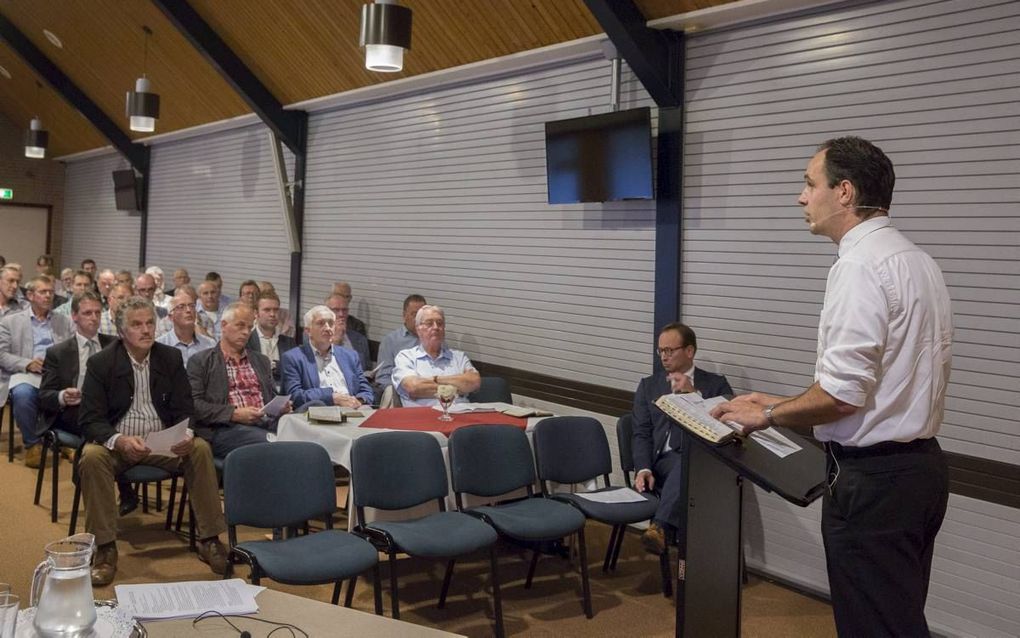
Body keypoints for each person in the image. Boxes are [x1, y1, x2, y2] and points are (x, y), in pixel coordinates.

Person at [711, 137, 952, 638]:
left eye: (808, 183)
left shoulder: (858, 266)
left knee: (873, 626)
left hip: (873, 486)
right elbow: (880, 385)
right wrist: (773, 399)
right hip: (919, 472)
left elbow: (844, 395)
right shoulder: (918, 261)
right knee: (899, 618)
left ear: (844, 192)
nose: (802, 197)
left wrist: (768, 416)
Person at [78, 296, 228, 586]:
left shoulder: (169, 358)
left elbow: (186, 408)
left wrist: (186, 434)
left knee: (199, 448)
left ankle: (209, 539)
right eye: (137, 325)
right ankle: (106, 549)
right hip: (119, 445)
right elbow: (90, 420)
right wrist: (118, 440)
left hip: (162, 443)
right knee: (92, 456)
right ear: (122, 332)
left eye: (150, 323)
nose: (146, 330)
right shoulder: (101, 363)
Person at [631, 322, 733, 555]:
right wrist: (643, 468)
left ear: (689, 351)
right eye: (661, 351)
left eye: (670, 350)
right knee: (682, 463)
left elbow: (726, 424)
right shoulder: (649, 386)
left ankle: (660, 527)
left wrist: (692, 395)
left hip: (706, 461)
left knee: (689, 461)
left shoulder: (716, 384)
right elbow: (641, 432)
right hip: (664, 459)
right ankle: (662, 528)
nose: (664, 357)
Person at [188, 303, 291, 457]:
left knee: (309, 423)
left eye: (249, 328)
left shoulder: (260, 360)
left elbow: (271, 396)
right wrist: (233, 414)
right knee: (275, 444)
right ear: (223, 325)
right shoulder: (201, 361)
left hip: (266, 422)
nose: (245, 332)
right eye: (240, 326)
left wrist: (280, 406)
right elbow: (195, 406)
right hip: (227, 428)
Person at [0, 276, 72, 467]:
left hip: (56, 373)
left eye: (50, 292)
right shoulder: (10, 322)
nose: (48, 296)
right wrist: (28, 363)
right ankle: (33, 444)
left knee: (76, 391)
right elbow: (2, 355)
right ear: (30, 295)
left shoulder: (63, 321)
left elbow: (72, 348)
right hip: (26, 372)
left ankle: (66, 439)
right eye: (43, 292)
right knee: (23, 394)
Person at [281, 306, 373, 408]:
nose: (327, 328)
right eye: (321, 323)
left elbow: (366, 390)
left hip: (352, 411)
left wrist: (358, 401)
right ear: (308, 331)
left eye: (331, 323)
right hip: (316, 413)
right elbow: (295, 396)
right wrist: (331, 397)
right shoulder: (293, 358)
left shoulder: (350, 356)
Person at [392, 305, 479, 407]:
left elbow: (474, 382)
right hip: (423, 418)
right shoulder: (406, 357)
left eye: (440, 323)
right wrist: (459, 387)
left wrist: (435, 379)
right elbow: (413, 388)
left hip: (462, 415)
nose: (436, 327)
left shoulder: (459, 357)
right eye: (429, 323)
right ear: (418, 329)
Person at [245, 290, 296, 391]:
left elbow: (294, 372)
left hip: (286, 395)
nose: (272, 314)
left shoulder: (289, 342)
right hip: (258, 394)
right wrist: (278, 366)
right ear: (256, 313)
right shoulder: (246, 341)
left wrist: (273, 365)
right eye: (267, 310)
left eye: (276, 310)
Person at [375, 294, 426, 390]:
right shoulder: (391, 341)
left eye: (422, 315)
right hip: (404, 394)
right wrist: (405, 391)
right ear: (404, 316)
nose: (419, 319)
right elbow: (383, 378)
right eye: (415, 315)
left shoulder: (433, 339)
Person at [156, 292, 216, 366]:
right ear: (171, 317)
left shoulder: (209, 344)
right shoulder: (160, 345)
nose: (188, 310)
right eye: (181, 307)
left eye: (192, 306)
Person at [325, 293, 370, 370]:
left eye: (344, 310)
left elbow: (366, 368)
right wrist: (336, 342)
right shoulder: (315, 337)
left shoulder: (360, 339)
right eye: (336, 310)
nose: (341, 314)